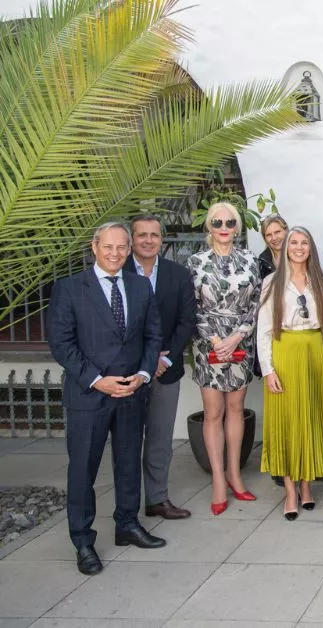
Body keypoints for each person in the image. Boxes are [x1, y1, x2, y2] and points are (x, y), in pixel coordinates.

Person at [49, 222, 165, 575]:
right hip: (90, 396)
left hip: (131, 392)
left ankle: (127, 524)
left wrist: (143, 375)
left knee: (128, 463)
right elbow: (62, 344)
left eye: (121, 247)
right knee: (83, 469)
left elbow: (152, 336)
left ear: (129, 250)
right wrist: (98, 381)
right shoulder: (70, 288)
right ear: (94, 247)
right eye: (108, 247)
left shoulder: (140, 286)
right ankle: (83, 541)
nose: (115, 253)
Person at [257, 227, 323, 520]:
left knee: (311, 418)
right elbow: (264, 330)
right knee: (288, 420)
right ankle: (290, 491)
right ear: (285, 247)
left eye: (305, 242)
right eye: (294, 242)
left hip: (314, 352)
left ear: (311, 248)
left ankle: (307, 486)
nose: (299, 247)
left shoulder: (322, 279)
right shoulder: (272, 282)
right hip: (285, 353)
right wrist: (268, 370)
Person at [186, 202, 261, 515]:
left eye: (230, 222)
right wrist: (217, 340)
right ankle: (218, 478)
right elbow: (191, 306)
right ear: (209, 226)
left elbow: (256, 303)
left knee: (236, 408)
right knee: (213, 411)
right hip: (208, 345)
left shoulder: (250, 260)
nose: (224, 228)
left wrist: (236, 337)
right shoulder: (195, 262)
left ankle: (234, 474)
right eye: (217, 222)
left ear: (237, 226)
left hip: (240, 341)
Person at [126, 215, 196, 520]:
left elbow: (186, 321)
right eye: (142, 234)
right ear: (132, 239)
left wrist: (163, 359)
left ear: (161, 239)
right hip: (126, 372)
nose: (148, 240)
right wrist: (143, 360)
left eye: (154, 235)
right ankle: (127, 505)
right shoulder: (118, 272)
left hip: (165, 370)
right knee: (127, 440)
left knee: (160, 439)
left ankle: (156, 498)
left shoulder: (177, 274)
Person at [257, 213, 289, 278]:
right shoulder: (262, 263)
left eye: (277, 232)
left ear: (286, 231)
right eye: (269, 235)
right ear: (265, 238)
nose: (274, 238)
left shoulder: (300, 256)